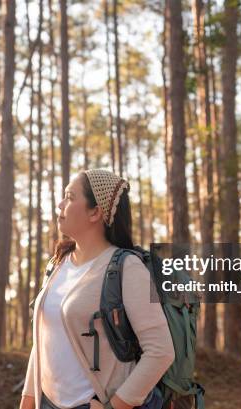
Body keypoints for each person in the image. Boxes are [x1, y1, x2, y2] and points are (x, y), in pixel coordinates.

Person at [20, 169, 175, 409]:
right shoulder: (57, 264)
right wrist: (28, 401)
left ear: (95, 212)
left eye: (70, 197)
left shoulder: (127, 267)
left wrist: (115, 406)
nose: (60, 204)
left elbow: (160, 351)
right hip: (47, 402)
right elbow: (44, 342)